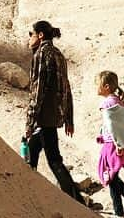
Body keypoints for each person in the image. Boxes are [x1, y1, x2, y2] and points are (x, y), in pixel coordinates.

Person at [23, 20, 83, 203]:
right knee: (31, 150)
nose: (29, 40)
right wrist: (68, 117)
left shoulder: (41, 54)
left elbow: (38, 90)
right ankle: (27, 190)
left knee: (54, 159)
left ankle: (76, 201)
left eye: (31, 35)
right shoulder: (58, 55)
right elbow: (67, 87)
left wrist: (30, 120)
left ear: (40, 35)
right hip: (54, 114)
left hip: (44, 115)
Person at [94, 70, 124, 218]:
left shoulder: (107, 103)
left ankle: (119, 214)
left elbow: (111, 125)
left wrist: (117, 143)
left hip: (112, 145)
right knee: (113, 176)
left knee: (109, 176)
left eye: (98, 84)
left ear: (106, 86)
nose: (96, 87)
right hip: (119, 144)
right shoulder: (120, 102)